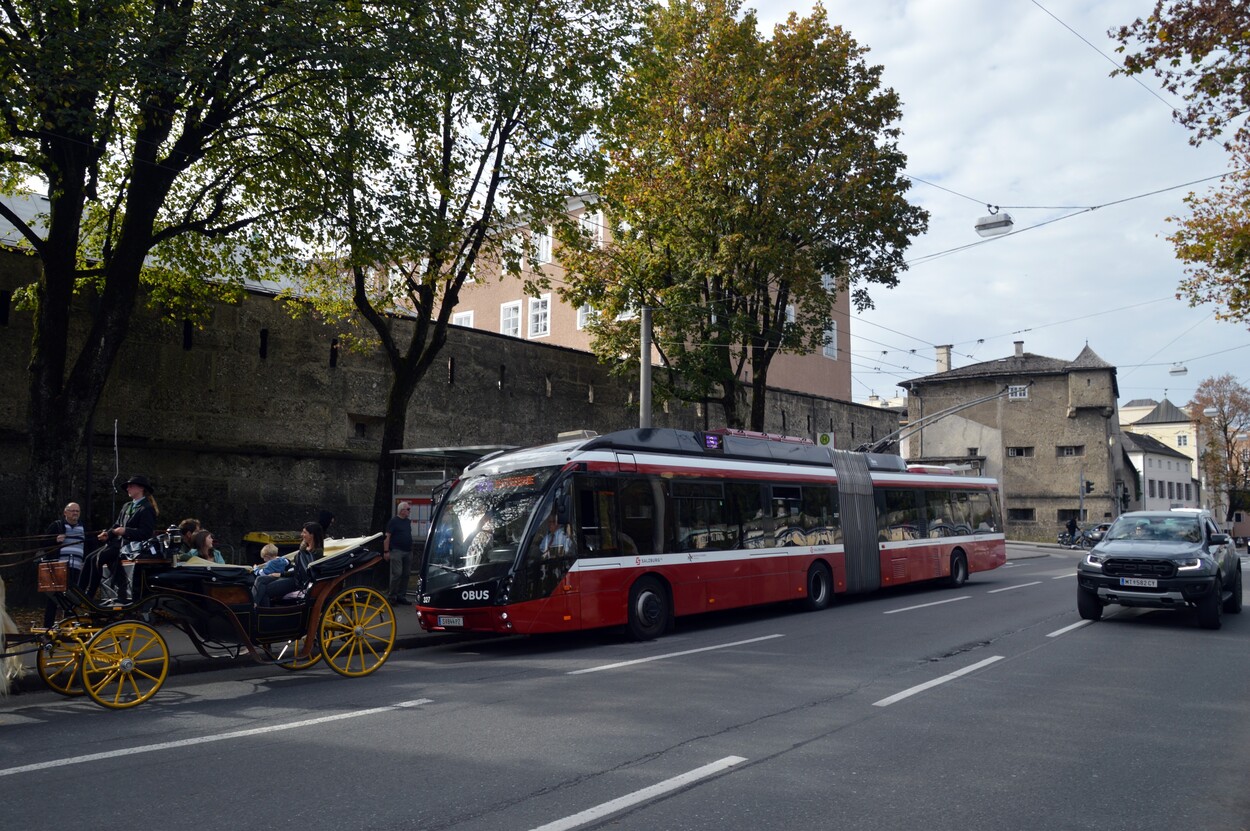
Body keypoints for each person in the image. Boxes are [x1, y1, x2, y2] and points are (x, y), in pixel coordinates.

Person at [90, 475, 158, 604]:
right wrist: (108, 534)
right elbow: (116, 525)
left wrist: (126, 531)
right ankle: (84, 591)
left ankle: (91, 593)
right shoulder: (126, 506)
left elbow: (146, 533)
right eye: (128, 486)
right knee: (91, 558)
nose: (128, 488)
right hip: (120, 544)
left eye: (131, 486)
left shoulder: (147, 508)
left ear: (141, 488)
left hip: (132, 548)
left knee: (101, 557)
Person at [42, 502, 87, 628]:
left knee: (70, 599)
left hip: (76, 568)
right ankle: (47, 627)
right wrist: (55, 540)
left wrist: (85, 562)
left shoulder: (84, 528)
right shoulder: (57, 525)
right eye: (72, 511)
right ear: (65, 513)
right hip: (58, 567)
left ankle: (67, 626)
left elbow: (89, 546)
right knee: (54, 599)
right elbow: (43, 543)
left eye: (77, 511)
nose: (75, 513)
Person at [258, 522, 323, 606]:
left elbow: (303, 571)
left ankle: (265, 613)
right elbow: (297, 568)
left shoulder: (317, 552)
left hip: (297, 581)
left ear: (312, 535)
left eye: (304, 532)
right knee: (261, 581)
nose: (301, 534)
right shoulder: (304, 549)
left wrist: (281, 574)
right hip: (293, 576)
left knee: (266, 589)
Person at [384, 502, 414, 606]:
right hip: (396, 551)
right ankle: (392, 596)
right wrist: (386, 551)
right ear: (402, 510)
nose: (409, 511)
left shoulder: (407, 522)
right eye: (408, 509)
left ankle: (402, 595)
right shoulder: (393, 522)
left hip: (408, 551)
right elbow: (387, 537)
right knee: (397, 573)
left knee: (406, 574)